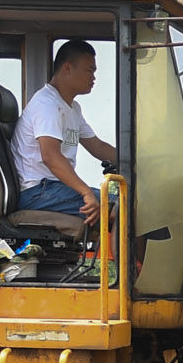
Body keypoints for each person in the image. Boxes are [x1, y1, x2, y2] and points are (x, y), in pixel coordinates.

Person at [10, 40, 119, 243]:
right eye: (89, 70)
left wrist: (138, 159)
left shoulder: (72, 108)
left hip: (54, 189)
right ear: (67, 68)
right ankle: (132, 272)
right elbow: (50, 156)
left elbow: (97, 147)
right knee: (123, 206)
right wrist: (86, 193)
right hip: (39, 191)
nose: (94, 77)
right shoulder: (47, 104)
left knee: (127, 202)